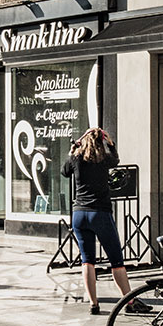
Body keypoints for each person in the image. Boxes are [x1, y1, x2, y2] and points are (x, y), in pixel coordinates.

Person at [61, 127, 149, 315]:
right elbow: (116, 159)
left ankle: (94, 304)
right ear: (101, 142)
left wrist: (73, 150)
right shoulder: (104, 160)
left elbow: (64, 171)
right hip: (99, 214)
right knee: (116, 261)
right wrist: (111, 143)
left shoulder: (76, 159)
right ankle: (130, 301)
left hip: (79, 214)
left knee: (87, 261)